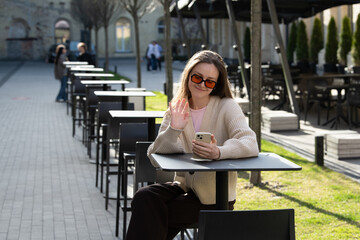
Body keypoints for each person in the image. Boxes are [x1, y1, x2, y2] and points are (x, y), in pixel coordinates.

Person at [125, 50, 259, 240]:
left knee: (151, 216)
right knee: (144, 197)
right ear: (188, 76)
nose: (202, 85)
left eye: (210, 81)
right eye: (197, 77)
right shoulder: (178, 108)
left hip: (216, 197)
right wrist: (174, 129)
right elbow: (154, 155)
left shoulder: (226, 106)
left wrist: (219, 152)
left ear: (216, 85)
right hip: (184, 187)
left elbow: (250, 143)